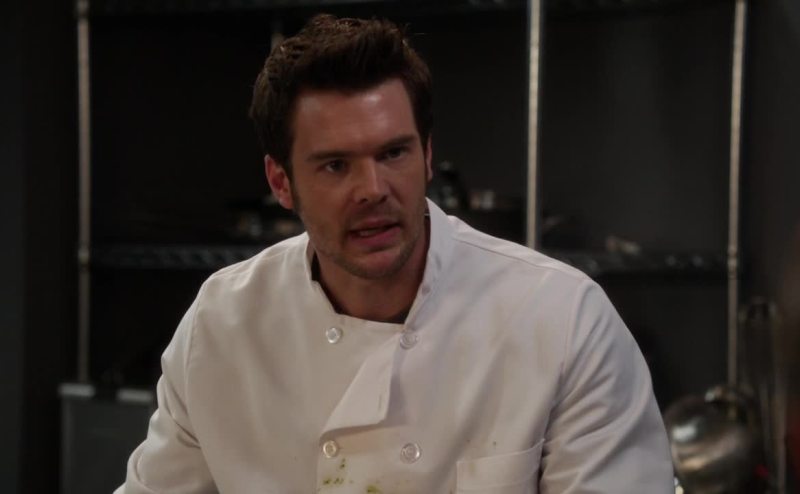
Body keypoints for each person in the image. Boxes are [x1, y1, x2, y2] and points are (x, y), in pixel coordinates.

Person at [116, 13, 673, 493]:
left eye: (393, 153)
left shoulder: (562, 320)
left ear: (427, 155)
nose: (373, 189)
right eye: (336, 165)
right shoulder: (222, 327)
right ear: (281, 182)